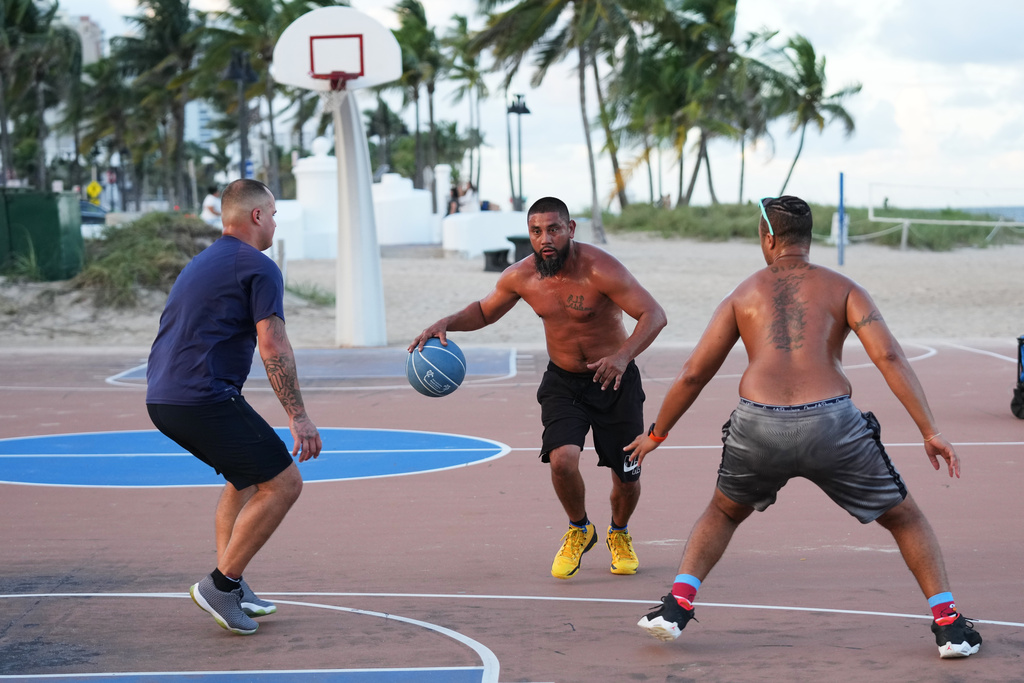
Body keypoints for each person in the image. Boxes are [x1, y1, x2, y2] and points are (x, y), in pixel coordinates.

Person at [628, 195, 981, 659]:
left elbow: (694, 372)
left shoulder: (742, 294)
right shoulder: (845, 288)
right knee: (905, 518)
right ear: (808, 239)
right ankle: (950, 627)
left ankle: (675, 607)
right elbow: (889, 356)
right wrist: (929, 431)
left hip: (757, 425)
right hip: (832, 423)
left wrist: (656, 434)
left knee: (722, 513)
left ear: (767, 238)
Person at [409, 196, 667, 579]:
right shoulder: (522, 276)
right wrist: (446, 322)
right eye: (536, 231)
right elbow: (484, 311)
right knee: (562, 459)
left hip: (615, 380)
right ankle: (580, 528)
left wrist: (623, 356)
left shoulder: (601, 269)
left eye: (553, 229)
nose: (544, 238)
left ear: (570, 229)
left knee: (626, 474)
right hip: (564, 382)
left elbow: (654, 314)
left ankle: (619, 532)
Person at [146, 178, 322, 635]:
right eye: (274, 213)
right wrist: (298, 417)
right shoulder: (258, 266)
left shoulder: (204, 260)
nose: (276, 222)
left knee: (246, 479)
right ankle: (221, 585)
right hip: (202, 397)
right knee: (284, 483)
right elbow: (273, 344)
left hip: (166, 397)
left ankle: (233, 585)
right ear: (257, 216)